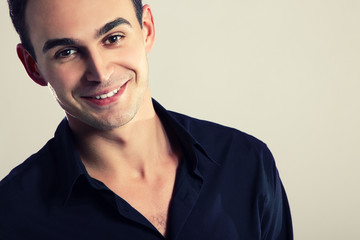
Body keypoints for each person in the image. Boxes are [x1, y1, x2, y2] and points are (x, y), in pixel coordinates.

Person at [0, 0, 293, 239]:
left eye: (113, 38)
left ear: (147, 29)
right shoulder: (12, 215)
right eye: (67, 52)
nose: (100, 73)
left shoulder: (247, 161)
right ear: (33, 66)